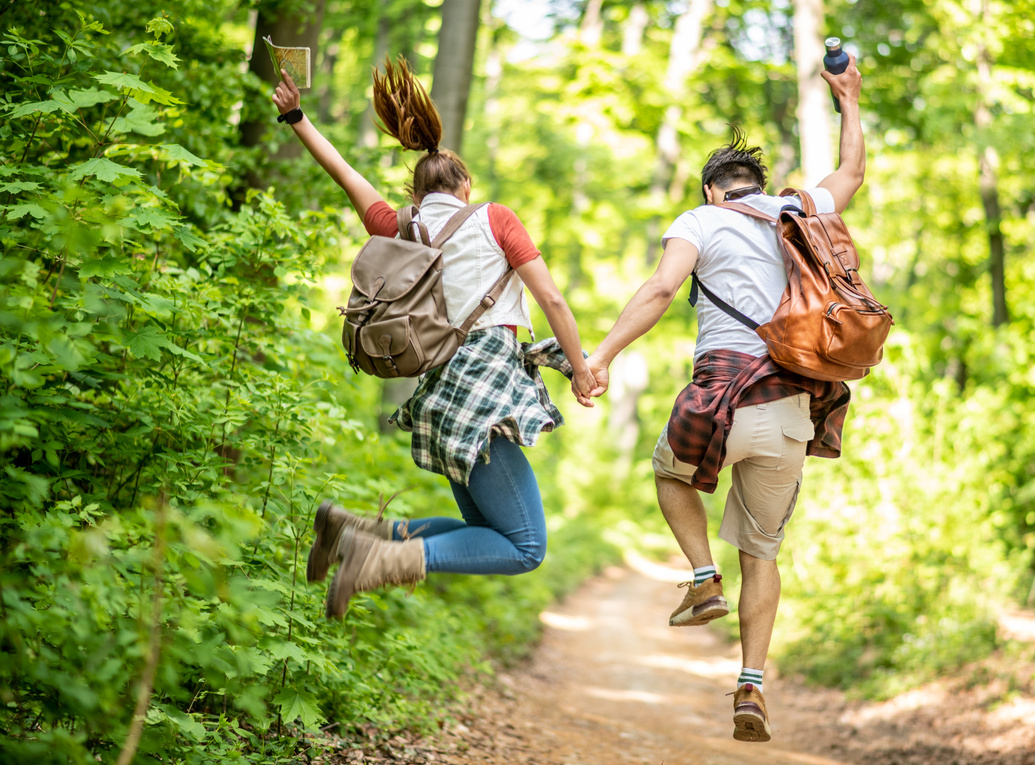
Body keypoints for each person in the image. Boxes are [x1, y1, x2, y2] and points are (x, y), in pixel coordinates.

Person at [582, 58, 864, 742]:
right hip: (792, 406)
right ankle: (750, 685)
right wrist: (848, 99)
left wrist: (600, 356)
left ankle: (701, 576)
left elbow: (656, 291)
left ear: (712, 191)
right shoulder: (794, 212)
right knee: (763, 550)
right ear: (757, 187)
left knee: (666, 471)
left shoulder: (698, 221)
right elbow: (849, 175)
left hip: (720, 395)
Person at [271, 58, 599, 620]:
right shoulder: (495, 219)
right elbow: (553, 301)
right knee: (525, 548)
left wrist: (297, 117)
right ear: (466, 186)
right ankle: (371, 560)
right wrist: (583, 368)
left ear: (416, 193)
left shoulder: (402, 227)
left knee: (483, 530)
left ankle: (356, 531)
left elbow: (346, 173)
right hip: (485, 398)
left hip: (439, 399)